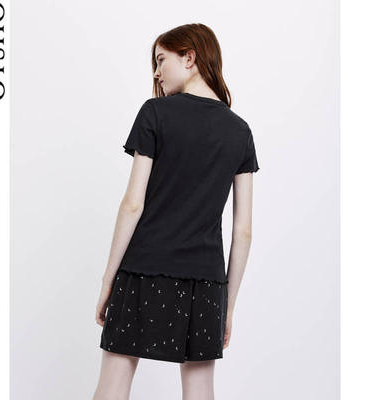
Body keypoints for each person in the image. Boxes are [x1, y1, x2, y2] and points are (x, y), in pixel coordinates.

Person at [93, 23, 259, 400]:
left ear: (190, 58)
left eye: (160, 60)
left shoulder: (155, 113)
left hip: (142, 270)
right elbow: (244, 231)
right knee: (200, 390)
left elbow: (133, 203)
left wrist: (107, 281)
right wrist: (228, 305)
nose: (156, 72)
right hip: (206, 281)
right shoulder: (240, 132)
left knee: (113, 385)